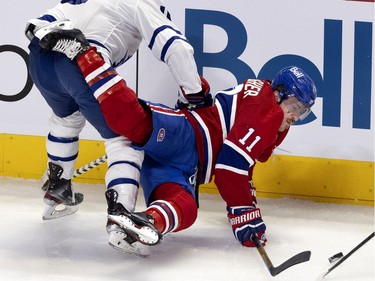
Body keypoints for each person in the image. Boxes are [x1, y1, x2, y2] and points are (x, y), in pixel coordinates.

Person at [38, 27, 317, 256]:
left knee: (185, 207)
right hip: (185, 137)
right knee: (130, 120)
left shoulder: (268, 107)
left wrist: (246, 199)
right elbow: (230, 167)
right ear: (279, 93)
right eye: (293, 105)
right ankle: (86, 55)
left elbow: (242, 160)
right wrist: (244, 211)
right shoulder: (267, 109)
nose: (295, 115)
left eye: (302, 111)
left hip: (185, 168)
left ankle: (146, 221)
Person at [25, 0, 210, 227]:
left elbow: (37, 26)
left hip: (40, 63)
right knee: (125, 138)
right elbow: (175, 46)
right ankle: (121, 216)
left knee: (67, 118)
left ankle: (58, 184)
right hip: (82, 63)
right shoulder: (141, 4)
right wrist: (194, 94)